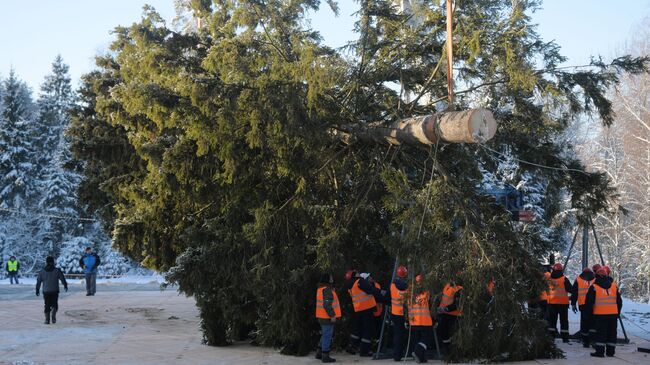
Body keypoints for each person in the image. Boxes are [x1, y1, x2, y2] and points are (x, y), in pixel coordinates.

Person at [345, 270, 384, 357]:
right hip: (367, 308)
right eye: (357, 273)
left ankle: (351, 346)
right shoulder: (360, 281)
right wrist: (381, 292)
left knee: (357, 329)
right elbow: (370, 290)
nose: (359, 273)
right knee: (367, 330)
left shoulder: (350, 286)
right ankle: (364, 351)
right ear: (355, 275)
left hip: (358, 310)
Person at [585, 267, 622, 358]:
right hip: (613, 314)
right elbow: (619, 301)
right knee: (612, 333)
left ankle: (600, 352)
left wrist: (588, 314)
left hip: (600, 315)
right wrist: (617, 312)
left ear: (596, 276)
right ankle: (610, 352)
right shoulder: (613, 286)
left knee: (601, 333)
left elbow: (589, 303)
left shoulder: (594, 287)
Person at [315, 273, 341, 363]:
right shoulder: (327, 290)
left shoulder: (320, 289)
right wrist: (332, 315)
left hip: (321, 316)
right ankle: (325, 355)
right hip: (327, 317)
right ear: (327, 280)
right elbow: (327, 305)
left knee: (324, 334)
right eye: (330, 277)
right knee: (327, 335)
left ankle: (319, 352)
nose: (332, 278)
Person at [35, 256, 68, 325]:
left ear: (46, 262)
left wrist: (37, 289)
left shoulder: (42, 271)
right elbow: (62, 278)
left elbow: (38, 281)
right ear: (53, 262)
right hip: (55, 290)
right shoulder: (57, 270)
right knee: (54, 303)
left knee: (47, 304)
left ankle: (47, 319)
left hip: (46, 291)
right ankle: (53, 313)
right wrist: (65, 285)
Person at [409, 274, 433, 363]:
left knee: (418, 339)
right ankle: (417, 352)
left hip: (414, 321)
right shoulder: (426, 292)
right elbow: (431, 301)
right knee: (426, 339)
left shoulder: (411, 293)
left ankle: (422, 358)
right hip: (424, 321)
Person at [547, 263, 572, 342]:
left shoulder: (549, 279)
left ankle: (551, 337)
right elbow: (571, 290)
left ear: (553, 269)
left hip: (552, 303)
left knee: (552, 321)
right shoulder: (564, 279)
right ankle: (565, 338)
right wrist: (570, 298)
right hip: (563, 304)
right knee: (564, 321)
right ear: (561, 270)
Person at [436, 277, 463, 353]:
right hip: (444, 314)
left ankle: (453, 351)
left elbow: (458, 304)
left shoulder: (459, 289)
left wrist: (447, 308)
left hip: (454, 315)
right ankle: (447, 349)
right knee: (442, 332)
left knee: (452, 334)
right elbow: (443, 298)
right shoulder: (447, 286)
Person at [570, 267, 595, 347]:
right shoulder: (595, 279)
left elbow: (574, 292)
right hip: (593, 305)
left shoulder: (578, 279)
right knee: (593, 323)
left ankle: (585, 341)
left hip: (583, 304)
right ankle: (593, 340)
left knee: (585, 323)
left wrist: (573, 303)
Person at [390, 265, 409, 362]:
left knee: (397, 334)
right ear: (405, 275)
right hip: (404, 314)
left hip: (395, 313)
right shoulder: (407, 287)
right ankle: (406, 352)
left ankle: (397, 356)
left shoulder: (392, 286)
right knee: (404, 334)